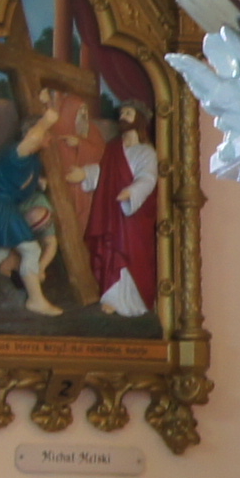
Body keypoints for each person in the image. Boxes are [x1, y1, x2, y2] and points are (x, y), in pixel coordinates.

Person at [0, 90, 69, 317]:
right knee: (31, 249)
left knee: (2, 249)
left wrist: (40, 183)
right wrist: (46, 120)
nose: (48, 137)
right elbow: (33, 139)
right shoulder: (15, 153)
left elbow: (23, 183)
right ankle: (36, 300)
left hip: (4, 207)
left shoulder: (31, 161)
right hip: (0, 207)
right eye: (45, 133)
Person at [79, 95, 163, 320]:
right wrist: (85, 173)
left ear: (139, 119)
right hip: (112, 211)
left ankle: (134, 303)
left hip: (133, 215)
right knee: (111, 250)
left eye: (128, 113)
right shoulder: (113, 148)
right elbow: (104, 172)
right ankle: (112, 298)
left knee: (129, 253)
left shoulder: (146, 152)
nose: (123, 117)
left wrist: (131, 192)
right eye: (122, 114)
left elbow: (148, 178)